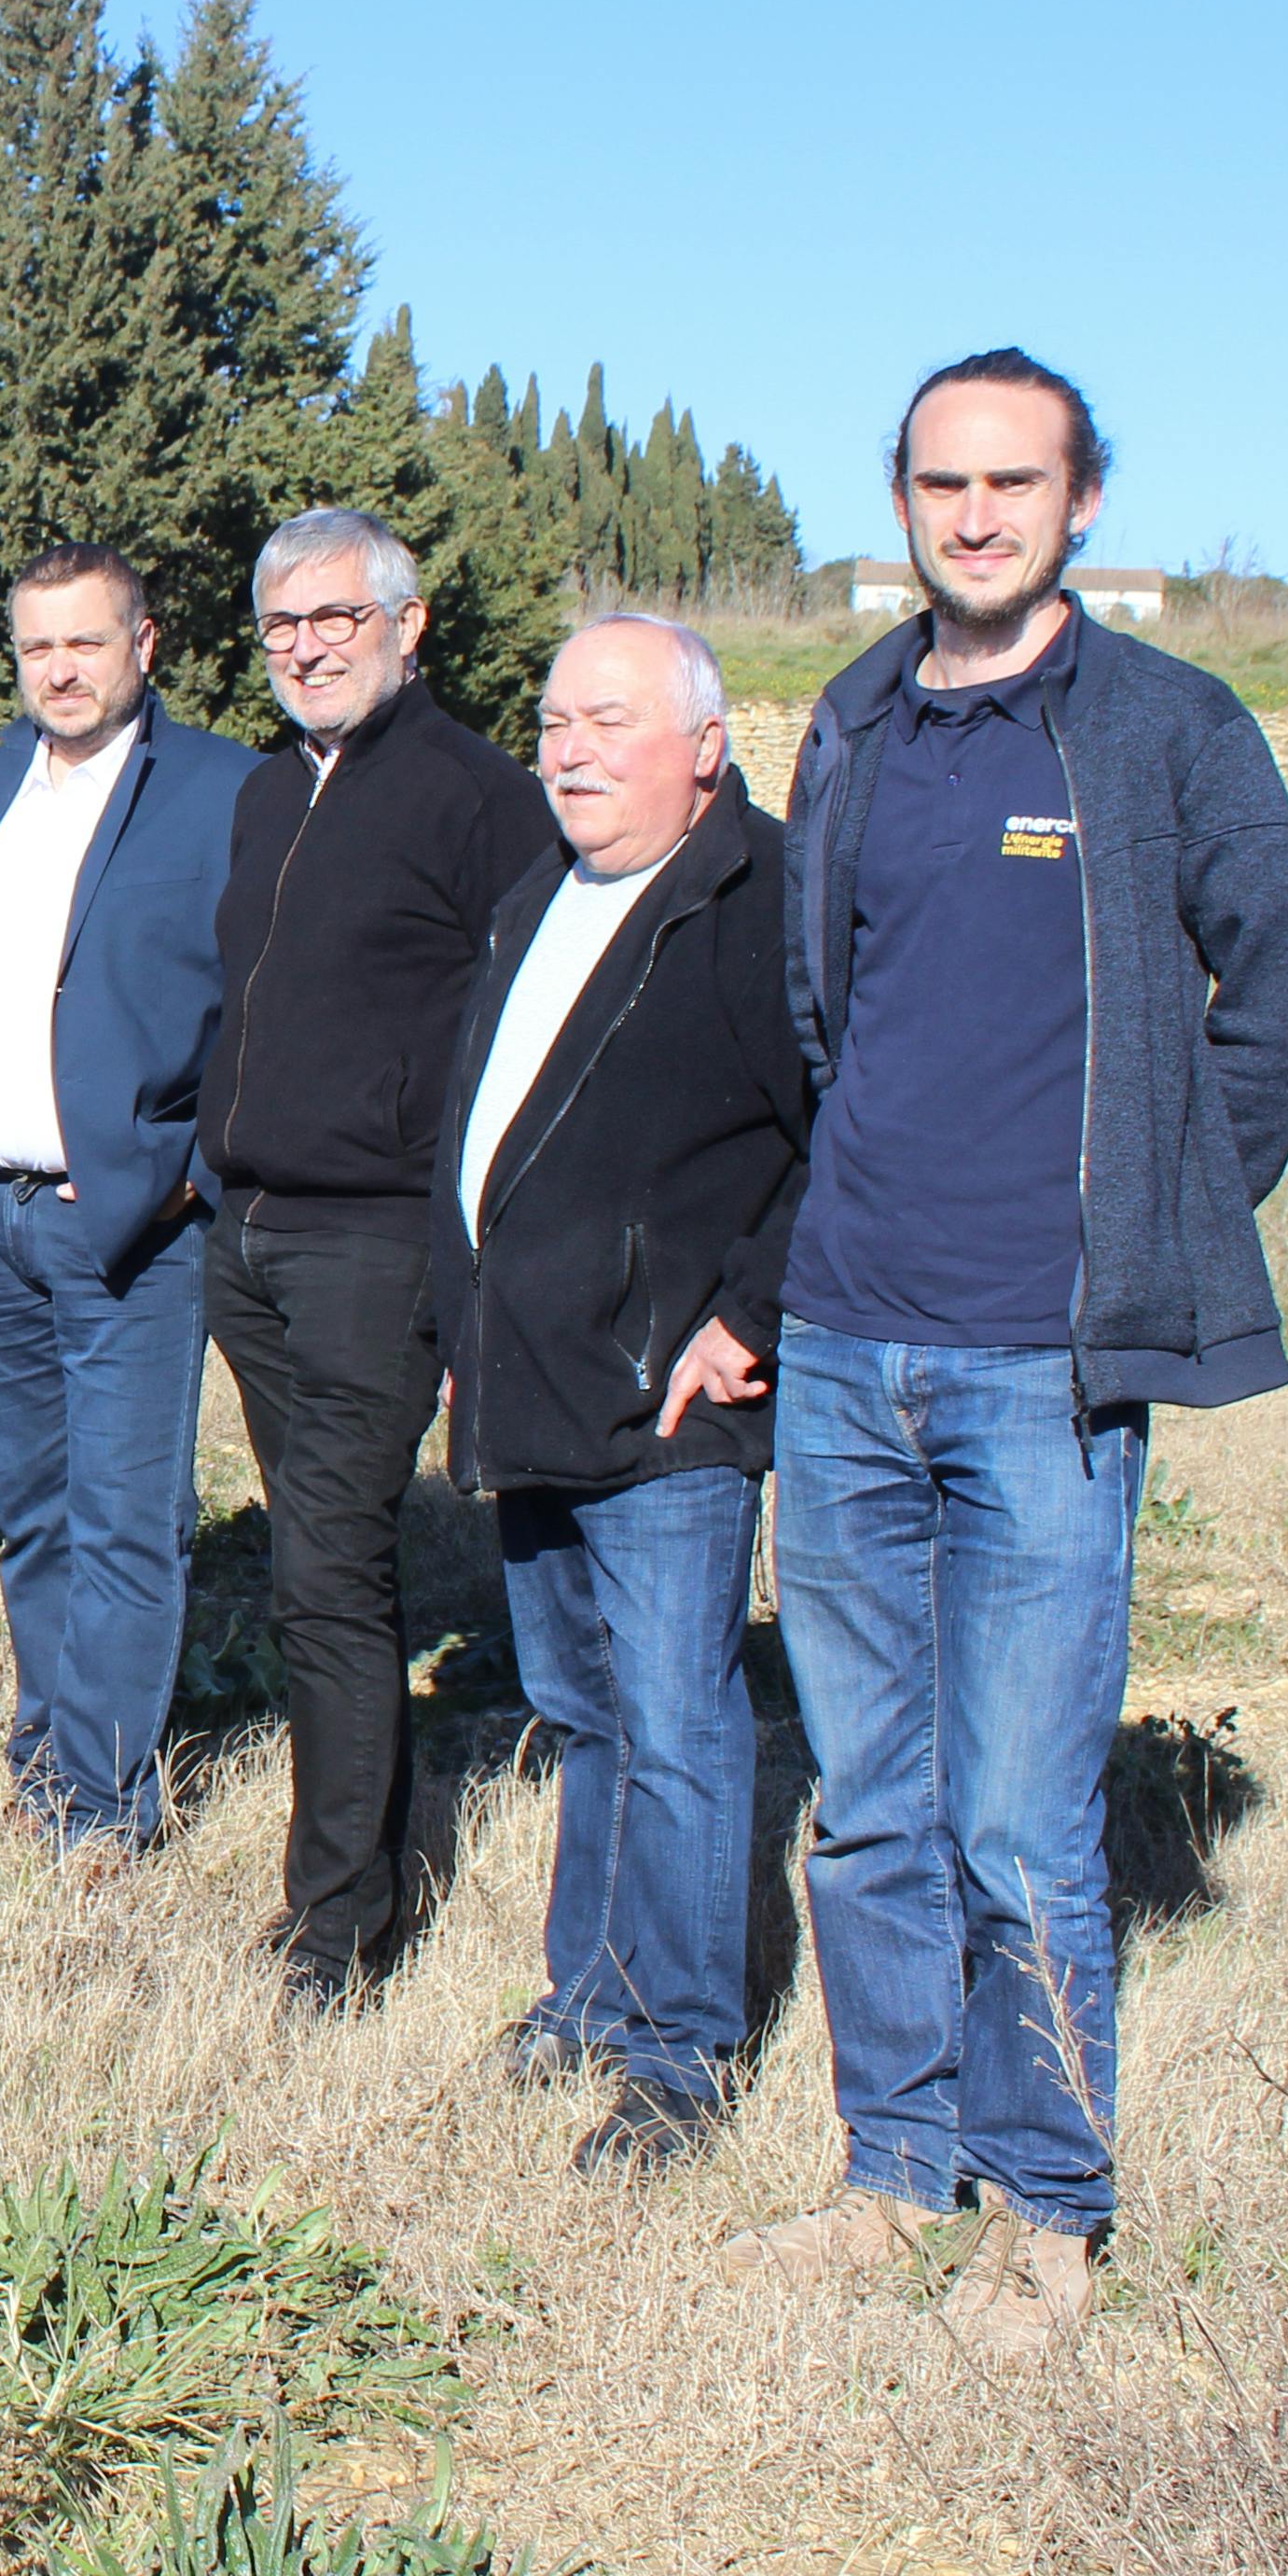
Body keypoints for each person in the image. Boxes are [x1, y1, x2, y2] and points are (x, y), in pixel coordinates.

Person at [725, 350, 1288, 2358]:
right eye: (939, 481)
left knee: (1018, 1814)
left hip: (1045, 1376)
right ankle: (894, 2177)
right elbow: (826, 1012)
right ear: (899, 502)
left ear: (1082, 503)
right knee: (874, 1803)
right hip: (846, 1348)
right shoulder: (855, 723)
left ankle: (1050, 2210)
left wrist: (1153, 1220)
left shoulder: (1166, 730)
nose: (973, 513)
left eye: (1014, 481)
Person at [427, 617, 808, 2176]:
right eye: (549, 722)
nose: (565, 749)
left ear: (702, 745)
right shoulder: (541, 890)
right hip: (529, 1369)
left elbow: (839, 1132)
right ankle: (587, 1995)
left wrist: (744, 1310)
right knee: (579, 1706)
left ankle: (675, 2051)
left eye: (605, 721)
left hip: (663, 1394)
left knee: (670, 1722)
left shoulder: (760, 901)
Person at [197, 508, 555, 2012]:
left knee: (328, 1576)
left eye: (334, 619)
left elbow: (528, 1029)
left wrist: (471, 1246)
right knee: (317, 1557)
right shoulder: (274, 793)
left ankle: (338, 1929)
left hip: (375, 1242)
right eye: (281, 626)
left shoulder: (482, 800)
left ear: (408, 625)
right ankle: (369, 1865)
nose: (305, 648)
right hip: (254, 1236)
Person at [0, 547, 256, 1865]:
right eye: (38, 648)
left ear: (147, 643)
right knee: (31, 1511)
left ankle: (103, 1811)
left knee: (124, 1522)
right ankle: (50, 1761)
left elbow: (266, 1010)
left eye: (88, 643)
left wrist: (183, 1166)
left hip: (129, 1225)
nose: (63, 670)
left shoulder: (220, 791)